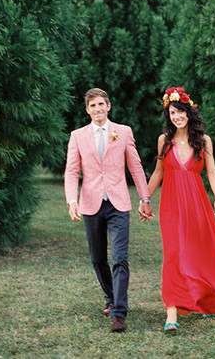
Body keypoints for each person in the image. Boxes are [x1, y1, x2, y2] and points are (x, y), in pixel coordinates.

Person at [147, 86, 215, 331]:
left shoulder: (203, 141)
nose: (177, 117)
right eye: (172, 113)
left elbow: (212, 172)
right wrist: (145, 199)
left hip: (197, 204)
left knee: (198, 252)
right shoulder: (163, 141)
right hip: (171, 205)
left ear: (188, 112)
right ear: (168, 116)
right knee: (173, 254)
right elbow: (158, 172)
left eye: (180, 111)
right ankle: (171, 311)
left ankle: (206, 301)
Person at [64, 88, 153, 332]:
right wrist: (72, 200)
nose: (97, 109)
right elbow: (71, 171)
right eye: (92, 105)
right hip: (91, 204)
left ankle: (119, 313)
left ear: (108, 106)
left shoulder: (123, 132)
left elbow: (135, 166)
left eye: (101, 104)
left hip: (118, 204)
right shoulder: (77, 136)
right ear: (87, 110)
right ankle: (111, 297)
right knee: (97, 258)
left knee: (120, 258)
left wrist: (144, 197)